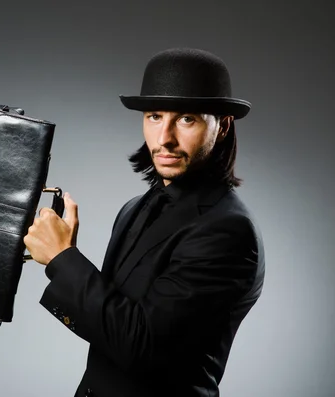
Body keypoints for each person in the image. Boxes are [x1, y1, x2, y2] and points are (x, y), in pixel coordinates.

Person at [24, 48, 265, 397]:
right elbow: (112, 330)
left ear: (223, 126)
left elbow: (143, 348)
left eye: (186, 119)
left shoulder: (228, 231)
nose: (164, 137)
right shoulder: (134, 208)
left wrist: (63, 259)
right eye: (154, 116)